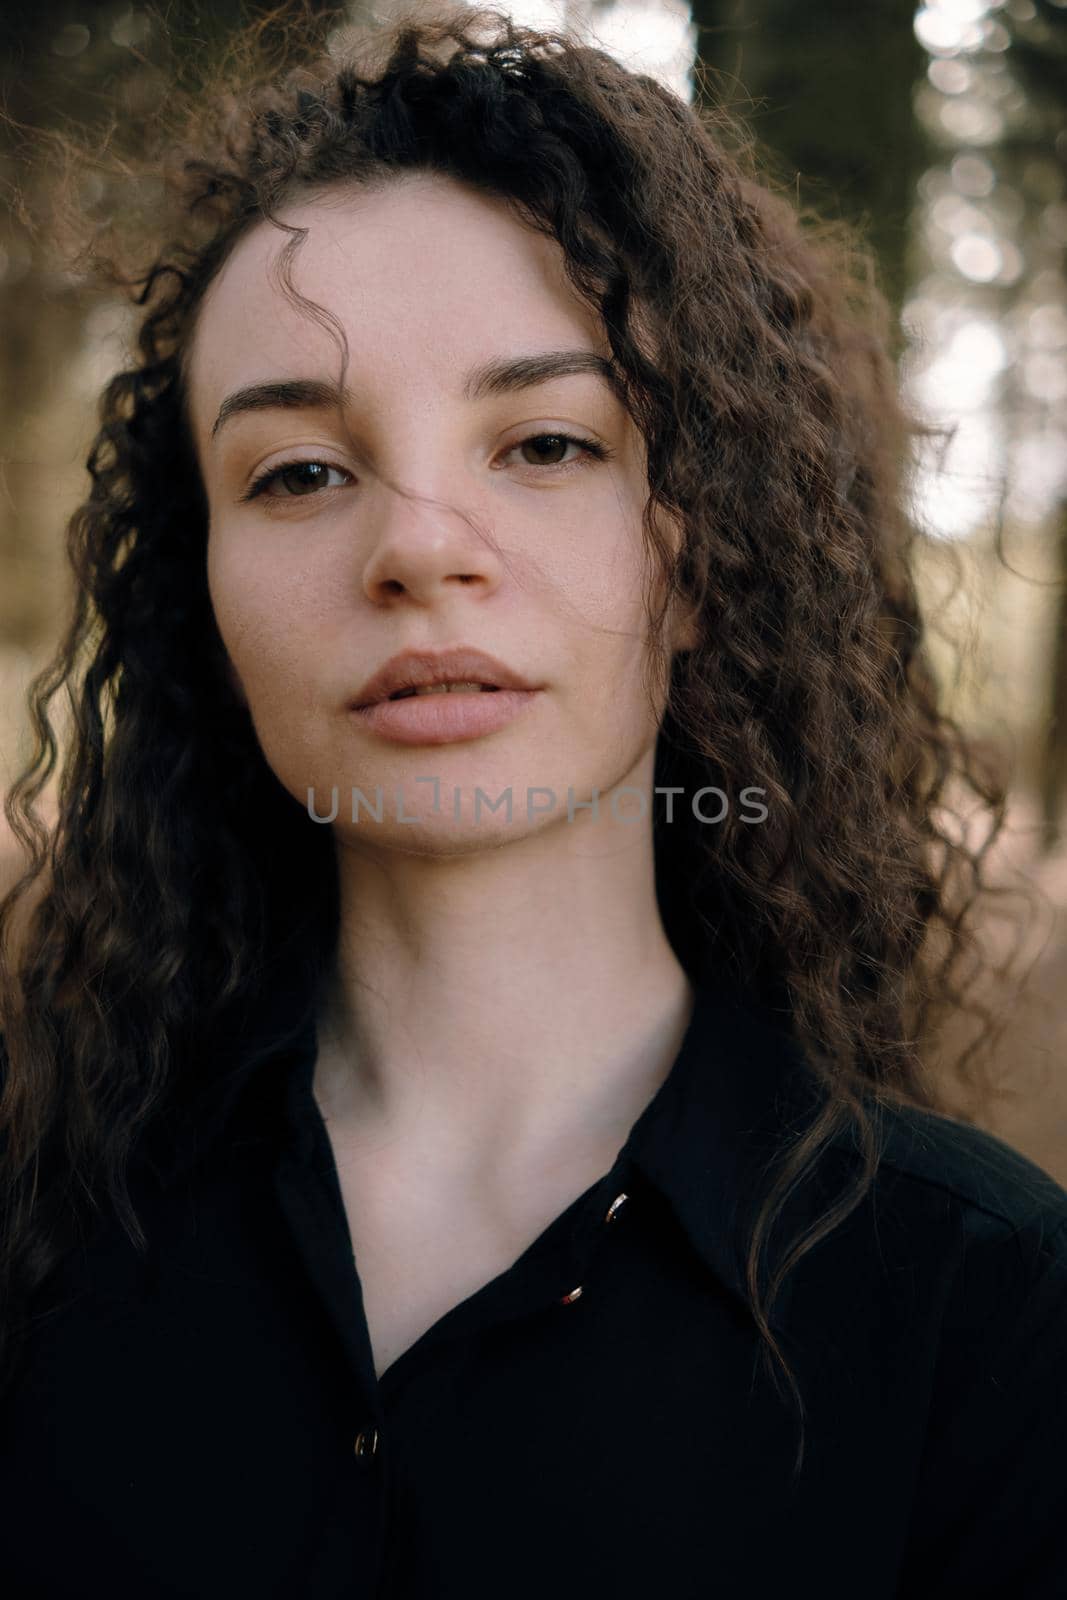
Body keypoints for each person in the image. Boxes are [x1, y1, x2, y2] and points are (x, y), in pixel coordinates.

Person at [1, 4, 1064, 1595]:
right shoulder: (34, 1251)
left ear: (700, 558)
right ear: (200, 607)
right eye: (298, 470)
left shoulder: (984, 1315)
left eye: (547, 443)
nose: (420, 548)